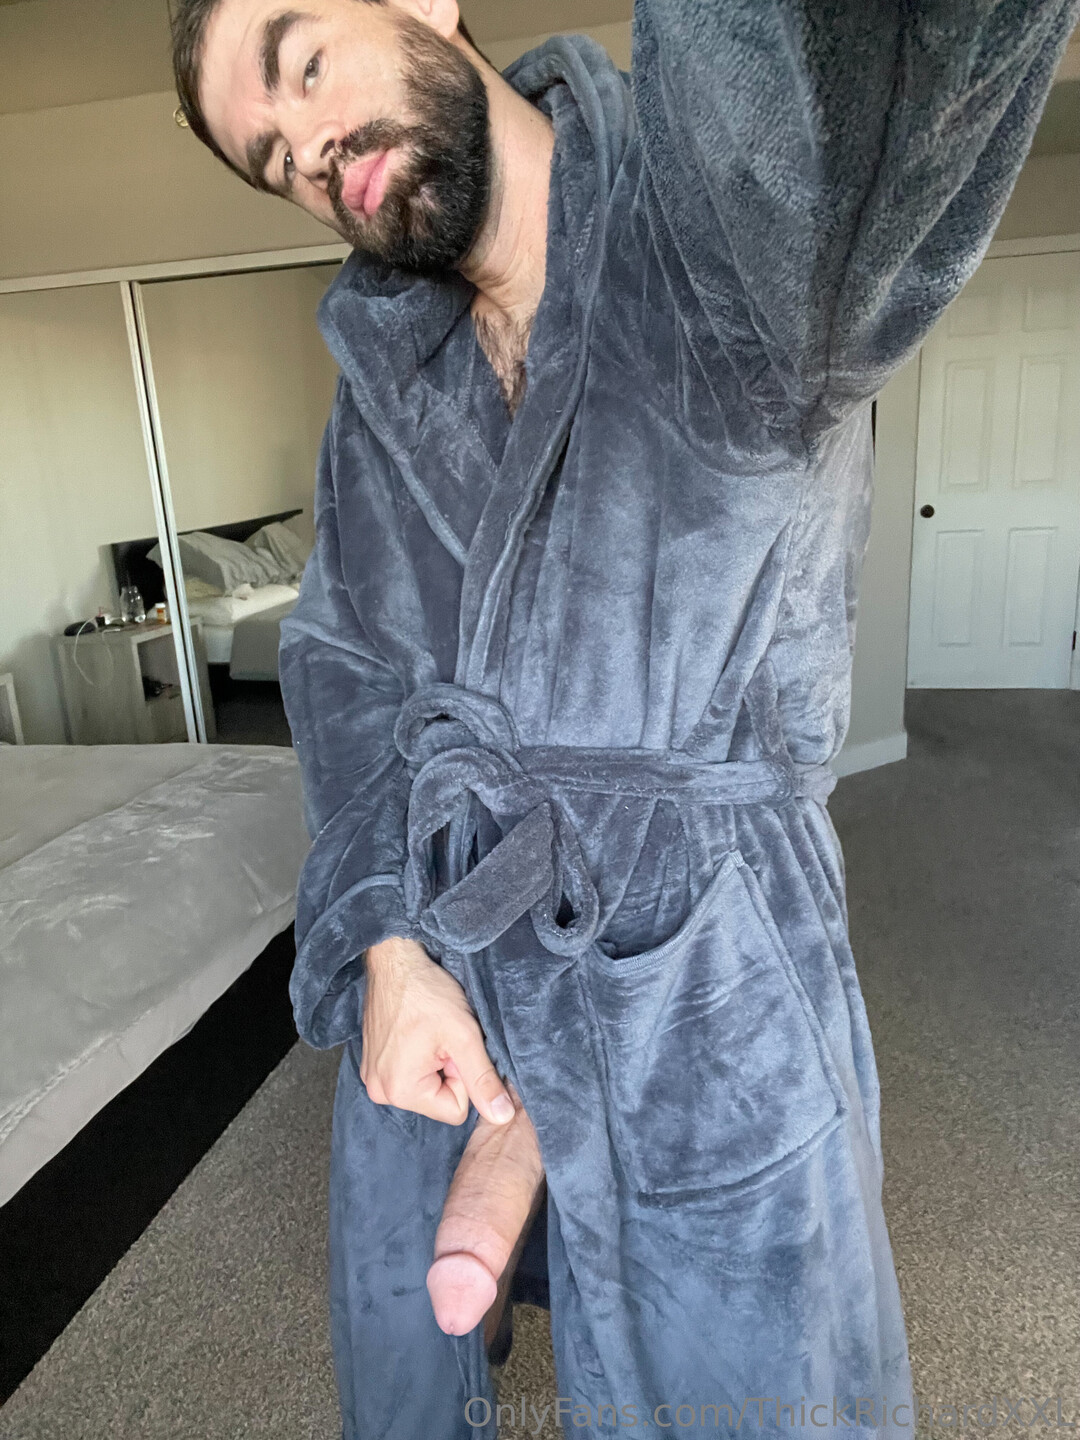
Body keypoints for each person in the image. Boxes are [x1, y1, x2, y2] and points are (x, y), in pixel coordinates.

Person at [172, 1, 1077, 1435]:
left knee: (746, 1383)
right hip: (450, 927)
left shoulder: (724, 230)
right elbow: (345, 665)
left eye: (306, 66)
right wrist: (387, 944)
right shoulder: (384, 384)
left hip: (699, 965)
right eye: (272, 157)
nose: (313, 151)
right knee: (409, 1342)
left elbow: (867, 58)